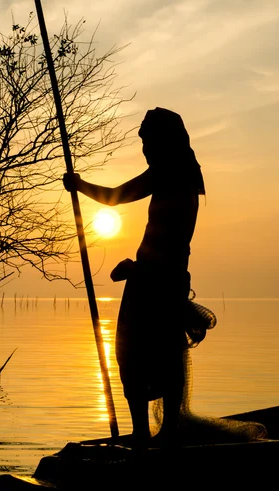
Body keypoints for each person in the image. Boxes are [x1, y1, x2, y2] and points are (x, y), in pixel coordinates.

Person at [63, 107, 205, 447]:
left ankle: (163, 433)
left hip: (158, 281)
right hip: (151, 279)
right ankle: (143, 432)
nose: (145, 150)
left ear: (164, 141)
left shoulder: (173, 172)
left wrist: (79, 185)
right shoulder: (178, 173)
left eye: (149, 142)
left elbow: (116, 198)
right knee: (138, 354)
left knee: (152, 354)